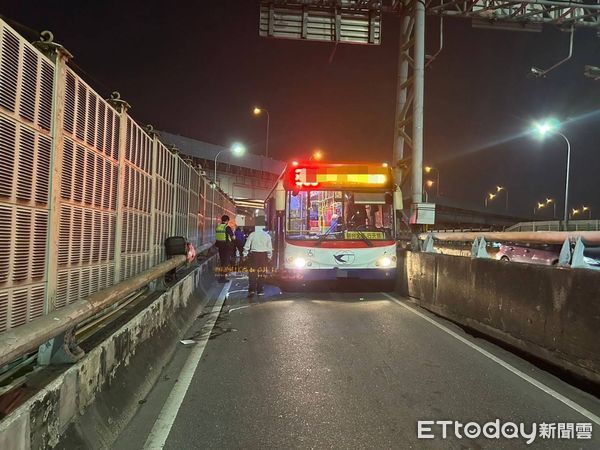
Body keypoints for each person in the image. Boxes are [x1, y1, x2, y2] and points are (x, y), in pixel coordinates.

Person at [243, 226, 273, 297]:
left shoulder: (252, 234)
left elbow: (247, 246)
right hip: (263, 256)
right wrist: (269, 256)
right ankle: (260, 290)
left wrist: (245, 254)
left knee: (252, 273)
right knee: (262, 273)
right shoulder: (267, 235)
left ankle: (252, 290)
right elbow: (269, 248)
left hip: (254, 255)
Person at [215, 215, 234, 282]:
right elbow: (233, 237)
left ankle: (222, 276)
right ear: (227, 221)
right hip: (226, 247)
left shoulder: (218, 227)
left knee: (222, 262)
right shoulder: (227, 227)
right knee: (225, 263)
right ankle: (222, 278)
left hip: (220, 247)